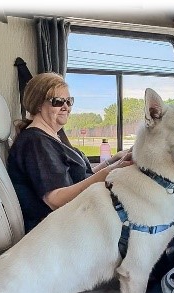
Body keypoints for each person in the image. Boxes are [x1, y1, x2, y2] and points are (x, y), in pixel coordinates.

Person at [7, 72, 132, 233]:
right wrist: (109, 172)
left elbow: (76, 178)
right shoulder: (35, 142)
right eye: (58, 101)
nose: (66, 106)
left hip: (77, 218)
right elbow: (56, 199)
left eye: (69, 101)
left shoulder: (50, 137)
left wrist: (112, 161)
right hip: (62, 230)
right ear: (38, 104)